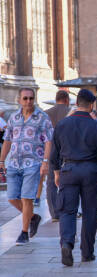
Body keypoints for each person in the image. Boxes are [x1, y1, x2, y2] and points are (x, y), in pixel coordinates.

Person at [50, 89, 97, 266]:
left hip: (68, 170)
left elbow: (54, 153)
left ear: (77, 103)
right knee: (90, 212)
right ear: (92, 105)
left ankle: (67, 244)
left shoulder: (62, 125)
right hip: (90, 171)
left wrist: (56, 173)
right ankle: (87, 252)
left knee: (67, 211)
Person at [0, 87, 53, 245]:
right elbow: (7, 140)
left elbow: (49, 141)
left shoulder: (43, 118)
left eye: (31, 98)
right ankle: (33, 217)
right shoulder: (14, 118)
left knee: (26, 198)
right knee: (11, 198)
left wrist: (45, 162)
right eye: (25, 98)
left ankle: (24, 233)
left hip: (33, 163)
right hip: (14, 163)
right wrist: (2, 161)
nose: (28, 101)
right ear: (19, 100)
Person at [43, 90, 71, 219]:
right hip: (67, 151)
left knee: (50, 183)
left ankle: (54, 213)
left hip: (50, 151)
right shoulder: (70, 112)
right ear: (66, 99)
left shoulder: (46, 113)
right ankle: (68, 209)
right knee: (69, 182)